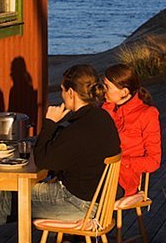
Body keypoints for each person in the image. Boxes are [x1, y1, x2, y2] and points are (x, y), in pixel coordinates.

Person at [32, 64, 121, 220]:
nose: (62, 95)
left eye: (62, 90)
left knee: (8, 198)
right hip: (101, 201)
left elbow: (41, 160)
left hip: (81, 205)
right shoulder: (101, 117)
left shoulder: (79, 127)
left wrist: (50, 123)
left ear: (71, 92)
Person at [102, 64, 161, 197]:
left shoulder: (147, 114)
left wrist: (120, 162)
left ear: (124, 92)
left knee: (80, 191)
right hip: (99, 172)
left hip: (123, 180)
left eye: (107, 87)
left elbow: (154, 161)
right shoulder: (107, 109)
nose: (103, 91)